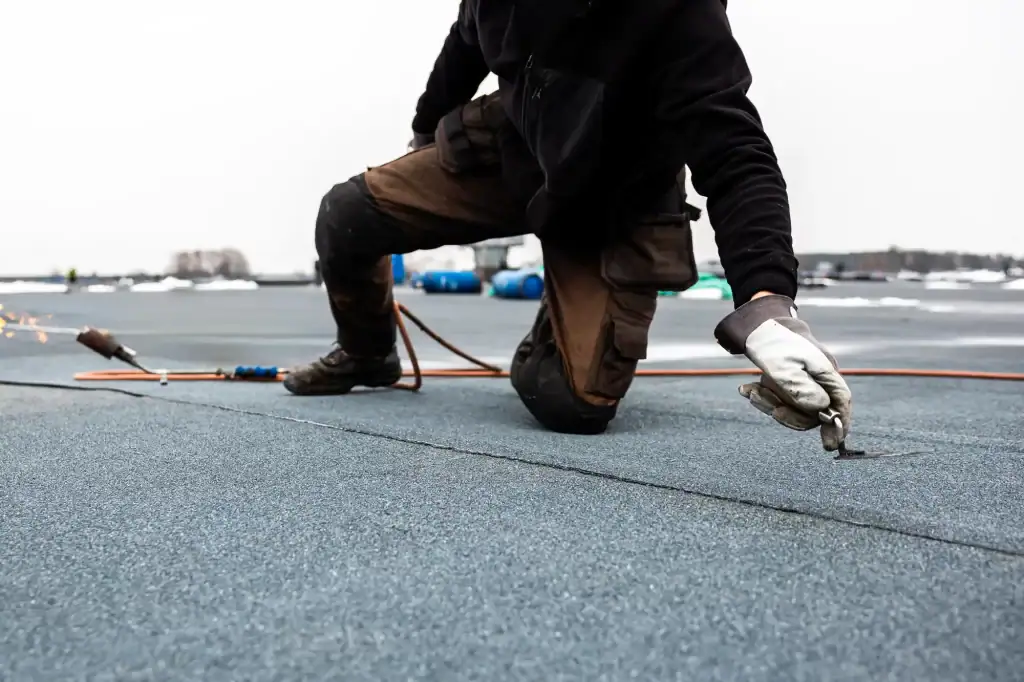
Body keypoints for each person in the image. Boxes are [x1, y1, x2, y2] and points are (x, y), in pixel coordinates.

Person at [285, 0, 853, 449]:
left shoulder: (677, 12)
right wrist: (427, 128)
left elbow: (736, 154)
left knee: (572, 405)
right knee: (348, 214)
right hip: (515, 146)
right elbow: (466, 37)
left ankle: (558, 319)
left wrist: (766, 302)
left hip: (612, 196)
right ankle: (367, 353)